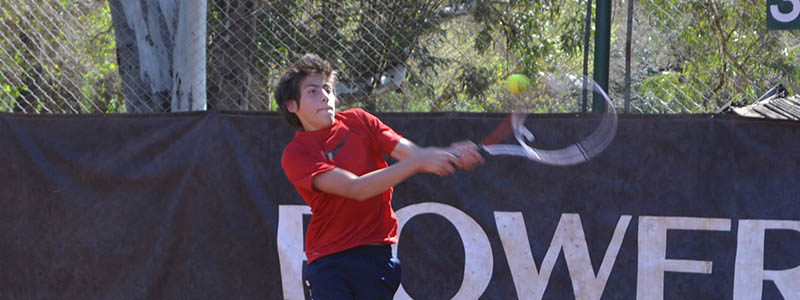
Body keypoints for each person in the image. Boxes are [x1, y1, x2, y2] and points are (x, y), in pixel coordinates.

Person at [275, 53, 484, 299]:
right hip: (329, 262)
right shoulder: (296, 155)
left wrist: (452, 154)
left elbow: (414, 154)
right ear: (292, 105)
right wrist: (419, 161)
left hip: (377, 259)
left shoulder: (359, 121)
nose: (325, 96)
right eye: (312, 91)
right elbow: (356, 189)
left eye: (327, 88)